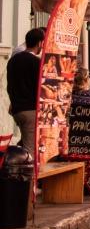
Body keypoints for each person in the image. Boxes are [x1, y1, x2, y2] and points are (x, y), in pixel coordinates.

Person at [6, 28, 44, 157]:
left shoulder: (12, 60)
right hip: (30, 110)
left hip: (17, 110)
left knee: (24, 142)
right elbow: (40, 87)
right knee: (30, 150)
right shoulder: (36, 62)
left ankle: (14, 164)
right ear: (39, 43)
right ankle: (27, 170)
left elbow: (9, 86)